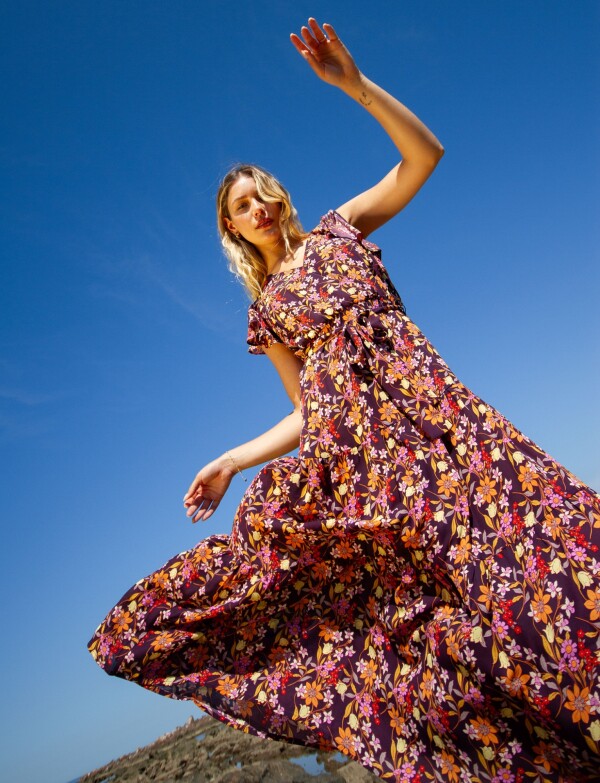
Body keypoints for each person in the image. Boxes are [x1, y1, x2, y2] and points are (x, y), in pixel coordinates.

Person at [88, 19, 600, 783]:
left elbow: (424, 155)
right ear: (232, 228)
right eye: (240, 203)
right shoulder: (269, 317)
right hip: (366, 469)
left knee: (551, 536)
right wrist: (230, 459)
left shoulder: (339, 231)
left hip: (442, 426)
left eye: (261, 190)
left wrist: (353, 86)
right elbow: (308, 413)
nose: (257, 204)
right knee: (440, 627)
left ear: (279, 196)